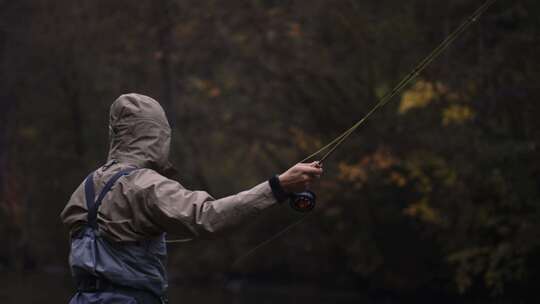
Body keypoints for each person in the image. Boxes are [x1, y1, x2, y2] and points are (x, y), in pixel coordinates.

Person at [60, 93, 323, 304]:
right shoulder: (145, 185)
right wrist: (278, 187)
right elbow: (208, 217)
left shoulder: (86, 187)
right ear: (157, 136)